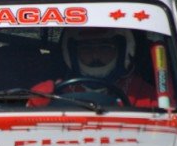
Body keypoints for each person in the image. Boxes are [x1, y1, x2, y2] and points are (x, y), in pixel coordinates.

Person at [28, 27, 157, 108]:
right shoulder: (50, 94)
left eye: (105, 48)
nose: (95, 55)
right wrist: (40, 101)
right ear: (72, 53)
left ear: (122, 51)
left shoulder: (144, 95)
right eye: (86, 49)